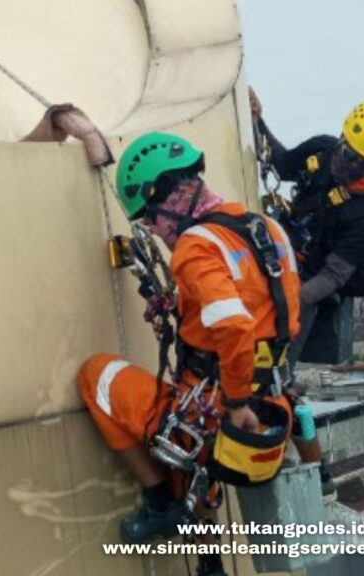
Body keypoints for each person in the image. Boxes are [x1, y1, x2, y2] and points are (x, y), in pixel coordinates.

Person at [77, 132, 301, 576]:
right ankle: (210, 563)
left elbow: (235, 325)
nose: (154, 234)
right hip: (274, 402)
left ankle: (161, 504)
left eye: (150, 222)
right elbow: (265, 311)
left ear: (167, 198)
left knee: (95, 376)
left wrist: (235, 404)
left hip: (224, 405)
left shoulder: (196, 246)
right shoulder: (265, 228)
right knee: (196, 443)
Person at [249, 89, 364, 364]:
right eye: (349, 153)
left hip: (314, 278)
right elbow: (282, 165)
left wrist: (289, 300)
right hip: (287, 251)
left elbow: (333, 276)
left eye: (363, 163)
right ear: (342, 138)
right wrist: (258, 122)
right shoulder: (322, 150)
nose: (352, 166)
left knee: (284, 339)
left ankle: (279, 382)